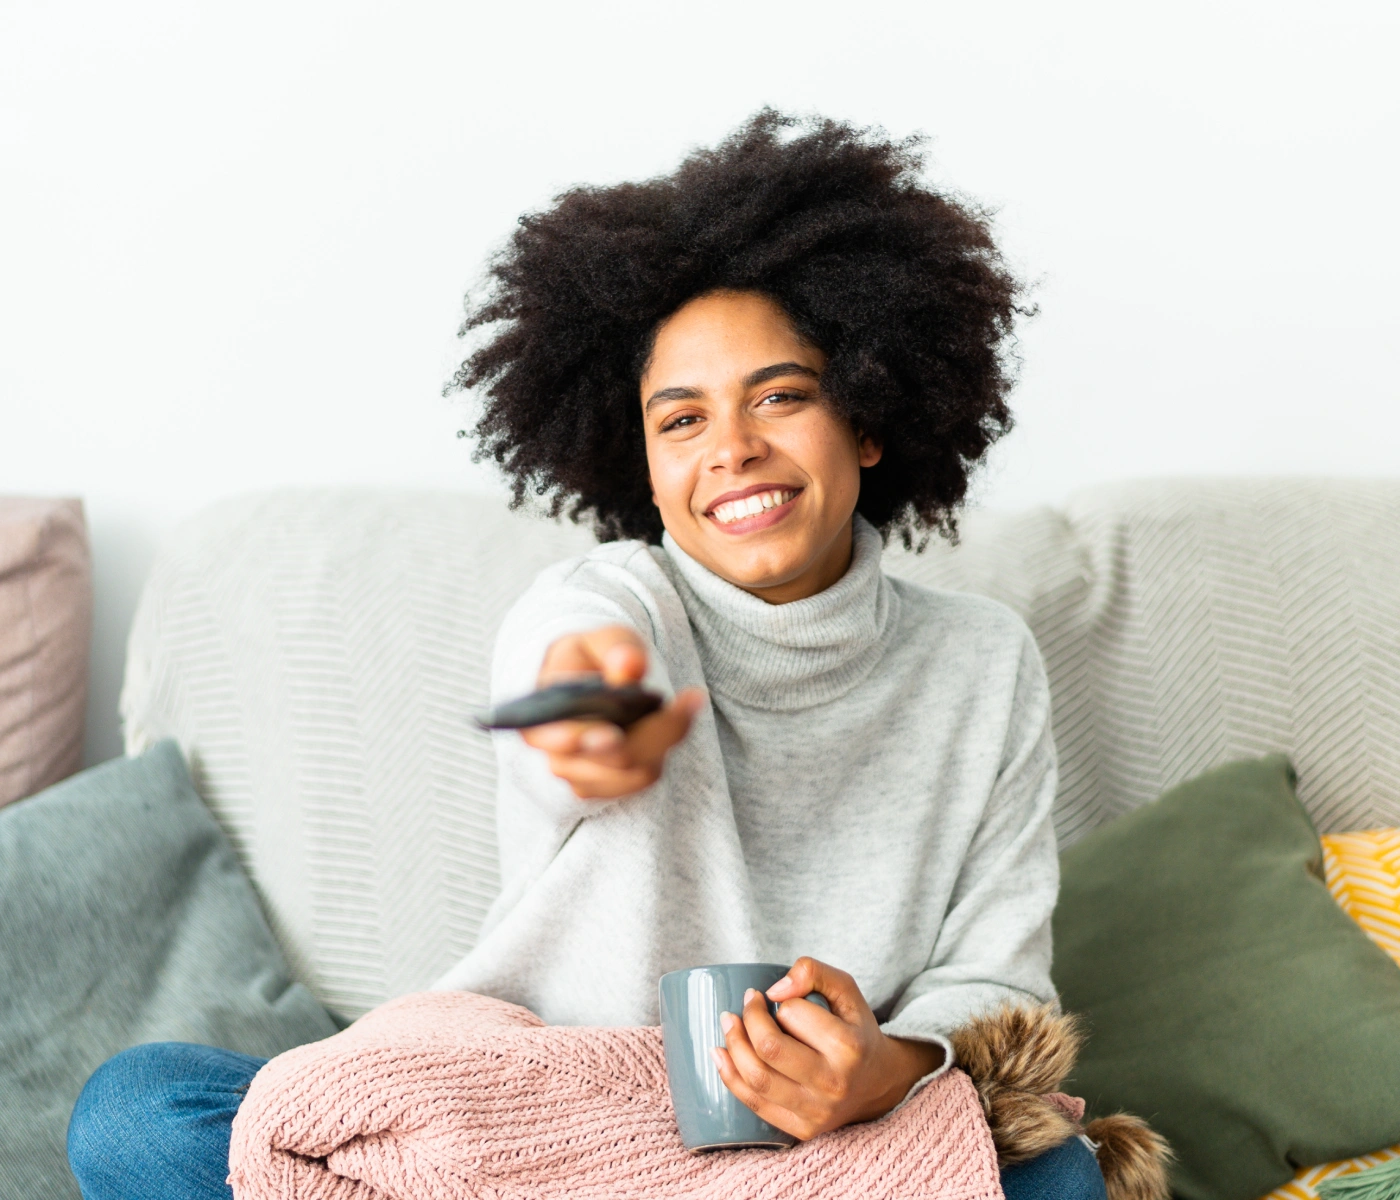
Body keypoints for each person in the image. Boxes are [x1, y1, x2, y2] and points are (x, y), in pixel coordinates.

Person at [67, 111, 1104, 1200]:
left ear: (873, 418)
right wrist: (591, 713)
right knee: (138, 1114)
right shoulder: (615, 597)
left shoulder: (985, 662)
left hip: (813, 1151)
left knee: (1060, 1177)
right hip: (540, 1113)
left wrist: (877, 1071)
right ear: (643, 471)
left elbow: (994, 977)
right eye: (681, 420)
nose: (733, 448)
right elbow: (578, 651)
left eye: (781, 396)